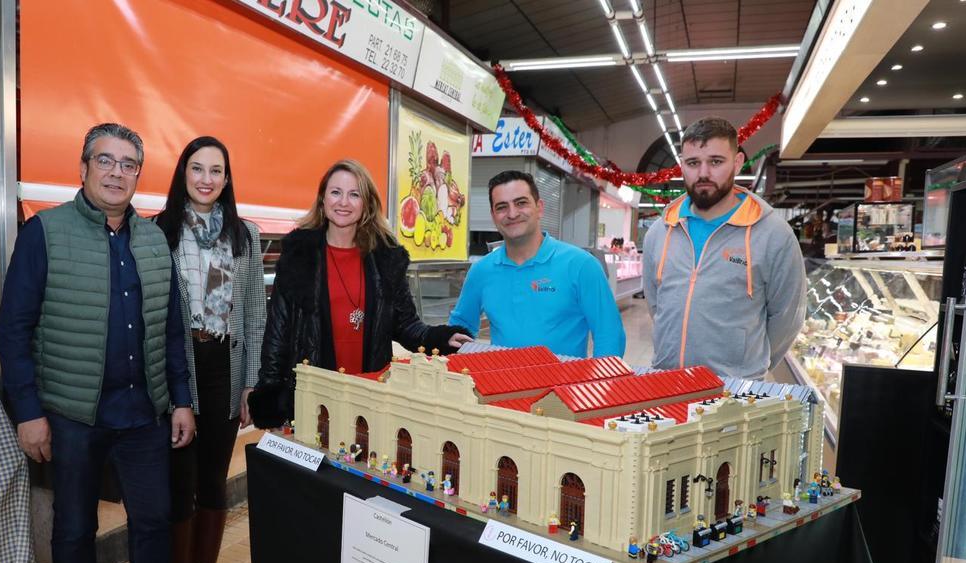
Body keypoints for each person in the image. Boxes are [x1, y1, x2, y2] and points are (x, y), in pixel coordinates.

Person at [0, 123, 209, 563]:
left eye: (128, 164)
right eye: (105, 161)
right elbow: (13, 330)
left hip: (144, 414)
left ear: (140, 173)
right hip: (71, 415)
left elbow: (172, 328)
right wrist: (28, 414)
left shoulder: (153, 238)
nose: (117, 173)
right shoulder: (45, 232)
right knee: (74, 529)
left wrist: (181, 399)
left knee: (153, 522)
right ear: (83, 167)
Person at [249, 159, 471, 428]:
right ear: (322, 200)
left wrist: (443, 337)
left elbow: (407, 326)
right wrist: (270, 392)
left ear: (366, 204)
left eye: (354, 194)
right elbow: (278, 331)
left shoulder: (385, 258)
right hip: (313, 395)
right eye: (336, 192)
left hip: (370, 395)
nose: (344, 202)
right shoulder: (299, 255)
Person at [154, 136, 266, 563]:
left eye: (216, 170)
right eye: (197, 169)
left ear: (227, 178)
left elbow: (254, 312)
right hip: (179, 365)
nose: (206, 178)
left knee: (214, 479)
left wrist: (251, 384)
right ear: (183, 174)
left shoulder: (244, 235)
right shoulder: (160, 230)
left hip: (225, 364)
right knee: (180, 482)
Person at [642, 117, 805, 380]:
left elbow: (787, 318)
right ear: (682, 165)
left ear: (737, 162)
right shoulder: (660, 232)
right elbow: (656, 306)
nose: (703, 173)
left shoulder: (773, 235)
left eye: (716, 162)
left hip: (734, 391)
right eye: (693, 163)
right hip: (667, 382)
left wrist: (745, 369)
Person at [448, 170, 625, 358]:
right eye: (502, 207)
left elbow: (609, 335)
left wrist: (598, 384)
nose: (512, 213)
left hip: (562, 386)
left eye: (521, 203)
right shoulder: (481, 271)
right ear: (493, 216)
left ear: (539, 208)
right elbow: (460, 328)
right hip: (502, 384)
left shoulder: (581, 265)